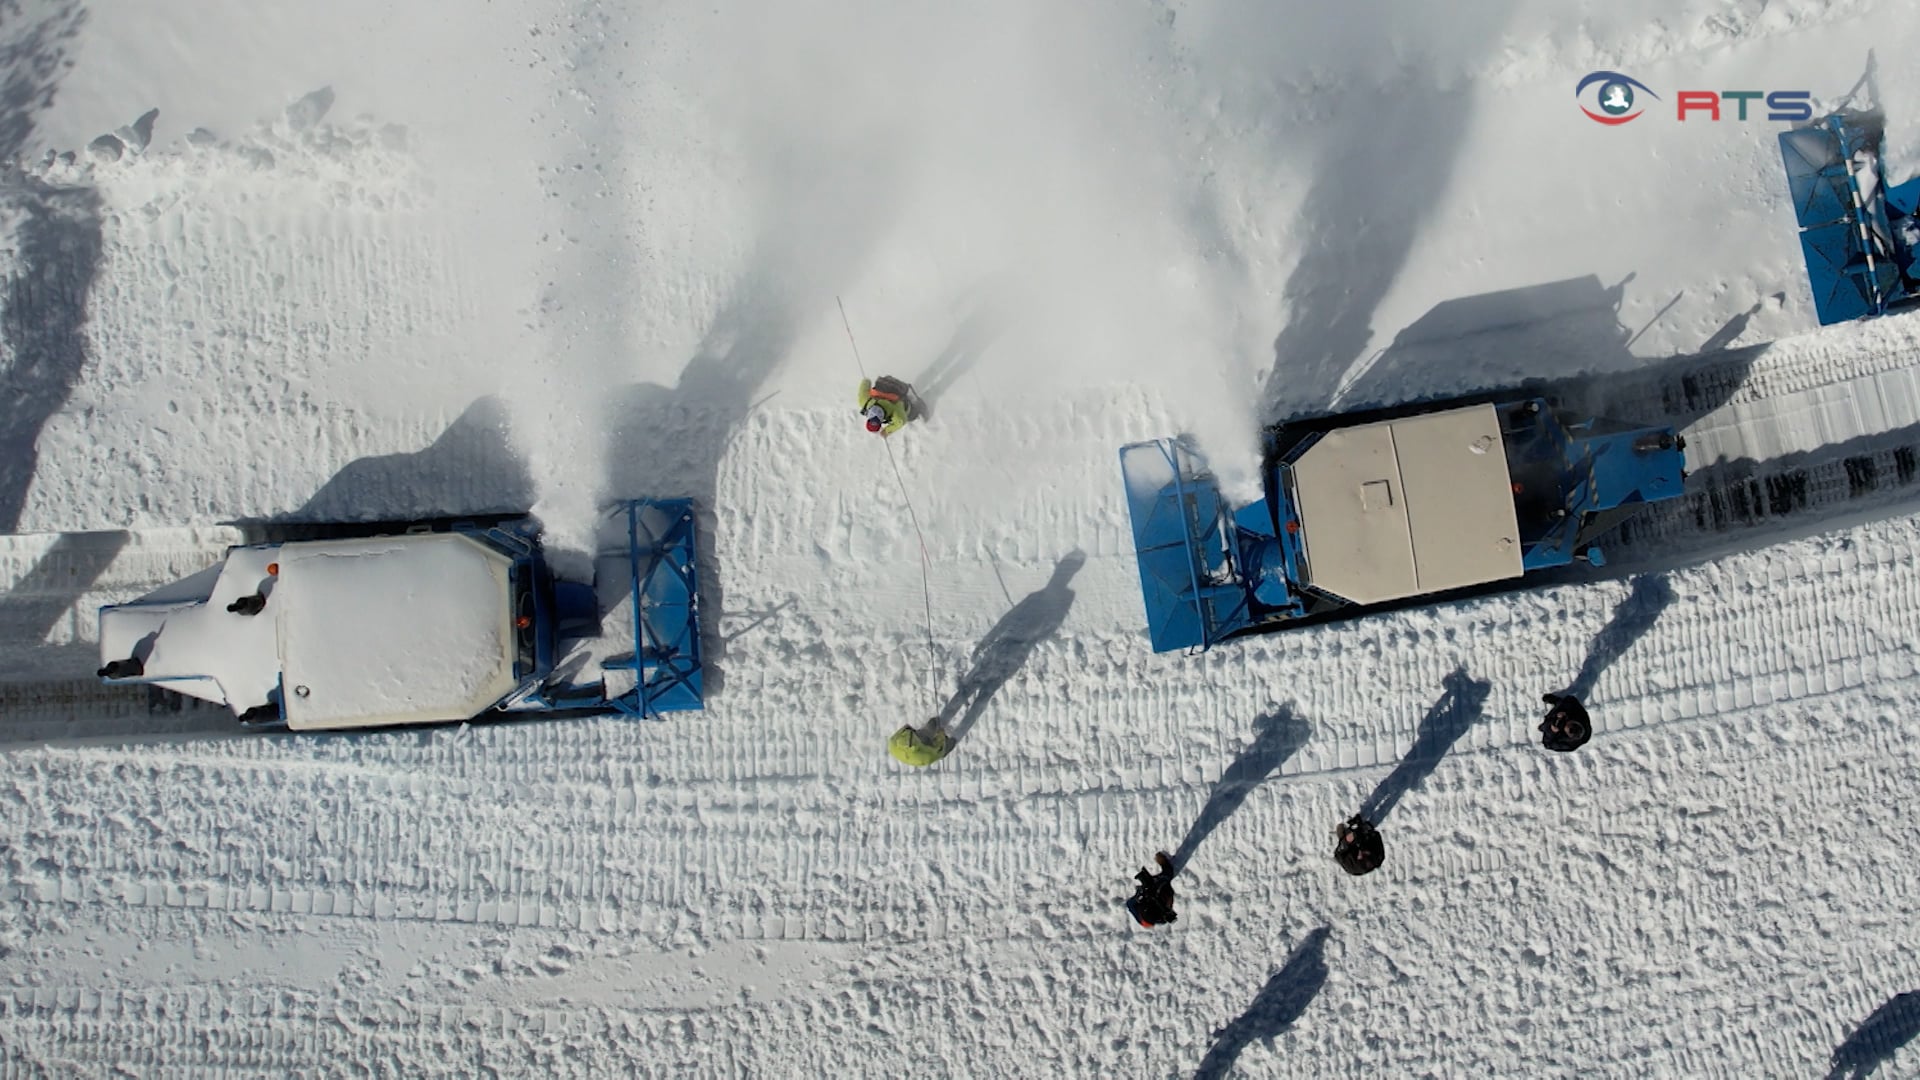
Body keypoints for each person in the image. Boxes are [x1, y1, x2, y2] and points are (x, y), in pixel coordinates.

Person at [1127, 851, 1178, 927]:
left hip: (1144, 906)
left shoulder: (1152, 910)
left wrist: (1141, 893)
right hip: (1148, 904)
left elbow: (1130, 904)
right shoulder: (1162, 909)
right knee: (1166, 876)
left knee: (1166, 876)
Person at [888, 720, 952, 767]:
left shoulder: (893, 742)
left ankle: (931, 726)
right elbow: (938, 752)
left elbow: (906, 728)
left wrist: (908, 729)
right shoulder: (925, 756)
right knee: (943, 748)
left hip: (916, 746)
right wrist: (941, 736)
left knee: (927, 731)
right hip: (927, 755)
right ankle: (951, 743)